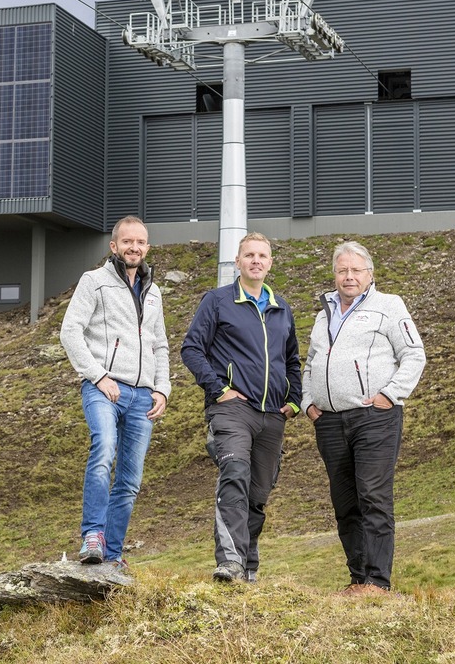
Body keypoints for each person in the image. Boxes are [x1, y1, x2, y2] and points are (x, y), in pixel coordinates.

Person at [301, 241, 426, 595]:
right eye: (342, 270)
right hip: (329, 421)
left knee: (372, 496)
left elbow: (414, 354)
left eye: (356, 270)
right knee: (345, 502)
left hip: (375, 418)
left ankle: (377, 581)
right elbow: (310, 364)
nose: (349, 276)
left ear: (370, 274)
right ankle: (358, 579)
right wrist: (310, 403)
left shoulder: (389, 306)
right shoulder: (323, 314)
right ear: (335, 274)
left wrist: (390, 394)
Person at [181, 232, 302, 583]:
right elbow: (192, 349)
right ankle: (231, 562)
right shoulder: (217, 301)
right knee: (234, 474)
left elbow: (292, 360)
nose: (256, 261)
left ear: (270, 263)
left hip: (272, 415)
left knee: (258, 493)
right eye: (249, 255)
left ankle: (247, 567)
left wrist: (293, 400)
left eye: (262, 255)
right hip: (233, 409)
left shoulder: (282, 308)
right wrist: (218, 389)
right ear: (238, 261)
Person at [60, 216, 170, 567]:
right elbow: (70, 332)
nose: (133, 247)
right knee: (104, 450)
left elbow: (161, 345)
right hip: (104, 389)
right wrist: (97, 375)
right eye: (127, 242)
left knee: (130, 480)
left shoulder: (154, 292)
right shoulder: (93, 282)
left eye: (140, 242)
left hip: (142, 397)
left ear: (147, 247)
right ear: (114, 246)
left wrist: (162, 389)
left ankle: (111, 555)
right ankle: (92, 534)